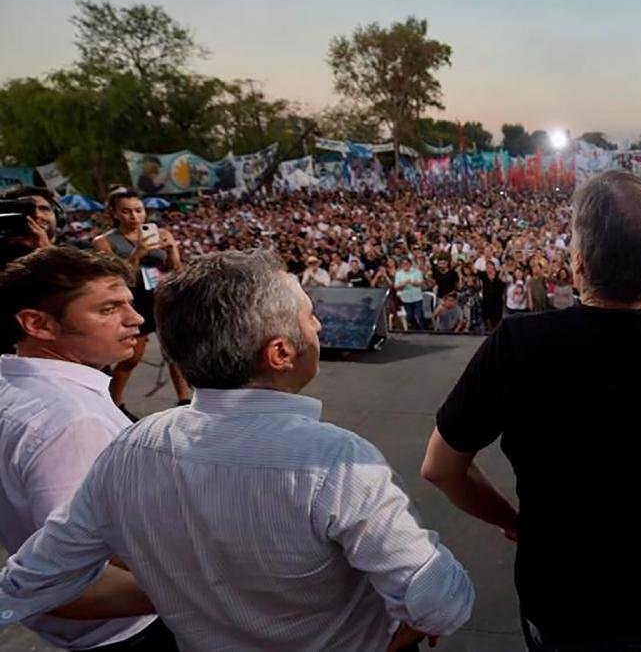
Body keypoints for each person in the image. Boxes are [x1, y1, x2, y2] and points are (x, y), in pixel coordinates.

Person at [0, 250, 475, 651]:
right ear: (281, 353)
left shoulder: (131, 446)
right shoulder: (335, 461)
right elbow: (440, 601)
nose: (318, 324)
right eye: (310, 315)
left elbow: (30, 581)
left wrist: (194, 591)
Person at [422, 171, 641, 652]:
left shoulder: (519, 343)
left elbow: (440, 466)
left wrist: (517, 522)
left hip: (559, 598)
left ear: (578, 265)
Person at [0, 247, 175, 650]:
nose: (135, 320)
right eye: (108, 309)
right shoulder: (70, 421)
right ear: (37, 324)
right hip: (132, 635)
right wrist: (199, 594)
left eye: (129, 304)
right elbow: (67, 581)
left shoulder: (22, 388)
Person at [93, 187, 189, 419]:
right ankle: (114, 403)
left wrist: (172, 249)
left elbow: (177, 271)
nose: (134, 217)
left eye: (139, 210)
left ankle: (185, 401)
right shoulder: (104, 242)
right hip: (133, 302)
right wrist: (138, 253)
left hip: (163, 297)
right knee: (131, 358)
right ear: (114, 213)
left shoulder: (161, 233)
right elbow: (115, 277)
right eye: (126, 211)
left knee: (176, 355)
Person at [0, 186, 57, 270]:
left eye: (44, 208)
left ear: (58, 216)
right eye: (26, 209)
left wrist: (46, 250)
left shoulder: (76, 251)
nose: (37, 215)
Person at [394, 256, 426, 331]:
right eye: (403, 264)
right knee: (409, 317)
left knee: (419, 315)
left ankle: (424, 330)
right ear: (401, 265)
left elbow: (420, 283)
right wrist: (404, 283)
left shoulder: (417, 272)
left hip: (417, 298)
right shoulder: (398, 274)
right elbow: (396, 286)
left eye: (407, 263)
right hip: (405, 299)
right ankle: (416, 329)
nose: (405, 265)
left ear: (410, 264)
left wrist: (412, 282)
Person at [480, 262, 507, 332]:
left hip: (497, 303)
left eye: (490, 266)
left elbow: (504, 283)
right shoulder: (484, 276)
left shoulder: (499, 274)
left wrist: (502, 272)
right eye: (487, 267)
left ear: (493, 267)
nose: (488, 268)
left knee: (496, 322)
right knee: (487, 321)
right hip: (486, 302)